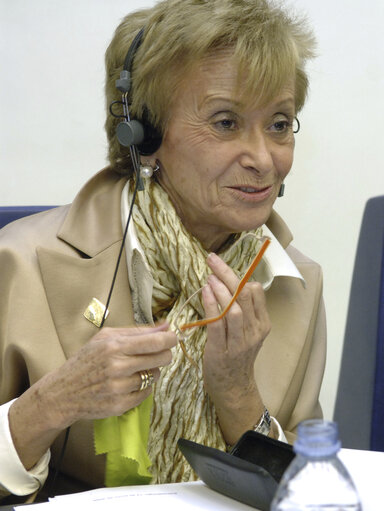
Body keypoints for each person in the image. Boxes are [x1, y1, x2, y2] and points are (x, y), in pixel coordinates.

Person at [0, 0, 326, 502]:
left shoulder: (294, 284)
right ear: (143, 133)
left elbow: (314, 494)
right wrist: (50, 404)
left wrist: (238, 395)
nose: (264, 159)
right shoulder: (19, 262)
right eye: (225, 123)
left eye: (280, 124)